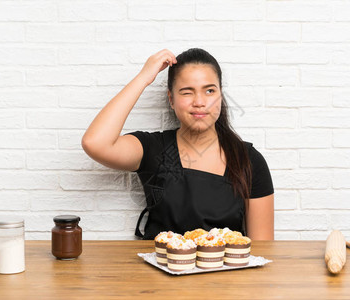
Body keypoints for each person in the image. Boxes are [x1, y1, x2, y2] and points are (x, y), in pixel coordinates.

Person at [82, 48, 274, 240]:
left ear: (220, 96)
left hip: (225, 270)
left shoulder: (248, 160)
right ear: (171, 99)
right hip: (157, 268)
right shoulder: (152, 148)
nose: (199, 102)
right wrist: (143, 78)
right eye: (187, 92)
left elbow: (263, 249)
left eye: (209, 91)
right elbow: (95, 143)